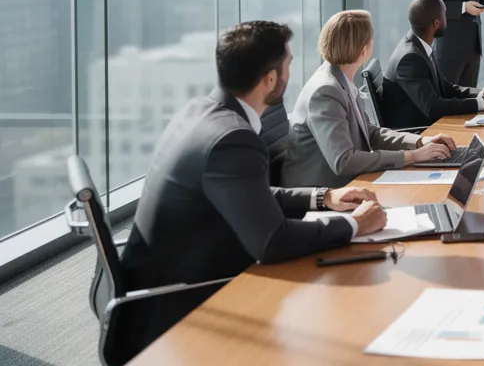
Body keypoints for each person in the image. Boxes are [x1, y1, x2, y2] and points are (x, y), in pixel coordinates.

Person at [112, 21, 389, 363]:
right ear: (270, 79)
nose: (291, 70)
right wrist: (355, 225)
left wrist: (322, 197)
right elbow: (272, 242)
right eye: (288, 64)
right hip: (181, 304)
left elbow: (246, 194)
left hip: (165, 279)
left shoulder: (200, 112)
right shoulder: (233, 137)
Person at [281, 10, 459, 189]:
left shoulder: (340, 79)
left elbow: (369, 132)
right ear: (363, 49)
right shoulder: (326, 91)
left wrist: (420, 142)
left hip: (346, 184)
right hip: (323, 192)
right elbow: (344, 161)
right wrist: (412, 156)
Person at [381, 0, 484, 129]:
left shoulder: (419, 46)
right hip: (418, 131)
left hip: (428, 124)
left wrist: (482, 94)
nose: (447, 18)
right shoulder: (410, 59)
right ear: (436, 23)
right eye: (445, 14)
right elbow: (433, 107)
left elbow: (445, 88)